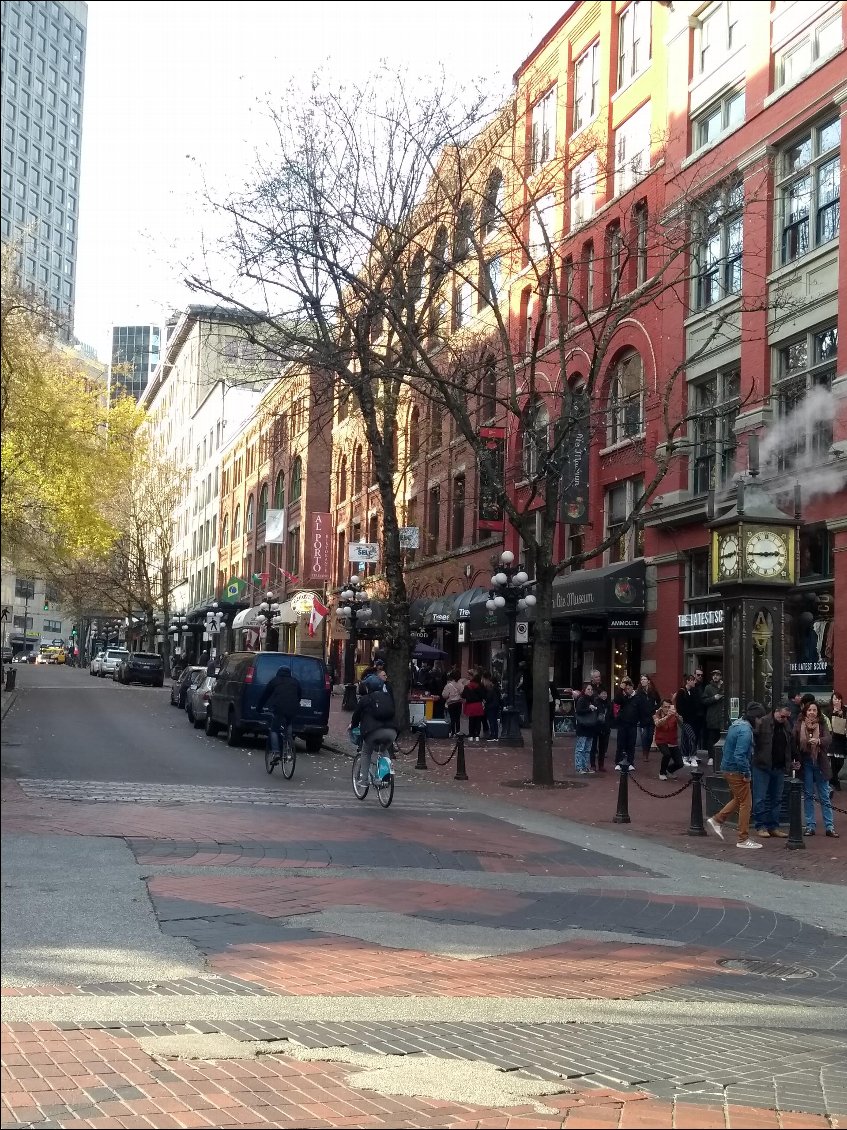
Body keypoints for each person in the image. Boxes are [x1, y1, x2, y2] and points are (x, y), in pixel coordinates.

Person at [705, 701, 766, 850]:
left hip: (728, 768)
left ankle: (717, 819)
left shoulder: (737, 724)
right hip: (736, 770)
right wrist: (746, 773)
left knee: (739, 798)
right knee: (746, 803)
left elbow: (727, 747)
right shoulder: (746, 731)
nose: (761, 721)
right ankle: (743, 838)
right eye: (760, 718)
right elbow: (740, 755)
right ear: (755, 717)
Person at [752, 704, 795, 838]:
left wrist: (792, 760)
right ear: (776, 712)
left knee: (777, 799)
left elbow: (790, 745)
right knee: (761, 798)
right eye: (782, 716)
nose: (784, 719)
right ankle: (760, 825)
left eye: (787, 717)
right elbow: (754, 741)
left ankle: (773, 826)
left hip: (779, 766)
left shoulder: (787, 725)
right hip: (762, 766)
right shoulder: (763, 722)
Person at [796, 699, 837, 837]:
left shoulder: (822, 722)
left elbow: (829, 739)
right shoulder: (799, 723)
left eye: (814, 710)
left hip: (820, 763)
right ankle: (810, 825)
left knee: (824, 795)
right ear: (805, 712)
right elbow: (793, 740)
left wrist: (819, 741)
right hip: (806, 762)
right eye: (809, 710)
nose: (812, 713)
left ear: (817, 712)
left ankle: (829, 826)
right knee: (808, 794)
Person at [350, 667, 397, 785]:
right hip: (391, 731)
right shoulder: (388, 698)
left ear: (368, 687)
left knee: (366, 752)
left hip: (373, 732)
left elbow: (356, 716)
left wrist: (353, 726)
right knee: (384, 750)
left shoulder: (365, 699)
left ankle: (364, 779)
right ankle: (384, 777)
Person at [257, 665, 302, 757]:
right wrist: (296, 703)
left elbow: (265, 696)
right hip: (293, 708)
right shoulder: (295, 681)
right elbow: (299, 694)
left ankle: (276, 751)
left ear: (278, 672)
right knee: (288, 723)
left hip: (279, 708)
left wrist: (259, 708)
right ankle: (288, 744)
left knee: (274, 729)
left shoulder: (274, 681)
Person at [613, 677, 643, 771]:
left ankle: (630, 762)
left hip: (632, 725)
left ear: (632, 687)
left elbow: (641, 710)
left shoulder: (637, 697)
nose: (627, 691)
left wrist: (640, 720)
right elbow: (616, 700)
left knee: (631, 744)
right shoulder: (623, 697)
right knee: (620, 744)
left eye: (628, 688)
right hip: (622, 724)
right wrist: (620, 689)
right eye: (625, 689)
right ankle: (618, 762)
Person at [674, 674, 700, 767]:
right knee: (692, 737)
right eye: (692, 680)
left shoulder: (692, 691)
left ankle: (684, 756)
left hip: (693, 720)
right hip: (686, 720)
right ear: (688, 681)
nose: (694, 682)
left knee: (685, 737)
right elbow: (680, 707)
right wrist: (686, 714)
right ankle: (692, 756)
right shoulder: (682, 692)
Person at [654, 698, 683, 780]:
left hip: (672, 741)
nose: (667, 709)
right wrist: (667, 717)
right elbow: (658, 724)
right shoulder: (656, 714)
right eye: (665, 707)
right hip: (661, 740)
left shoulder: (674, 714)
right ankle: (662, 772)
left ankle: (669, 770)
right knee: (667, 754)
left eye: (668, 707)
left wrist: (677, 716)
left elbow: (682, 725)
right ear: (661, 707)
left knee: (680, 763)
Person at [573, 682, 599, 774]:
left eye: (591, 689)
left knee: (588, 749)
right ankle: (579, 767)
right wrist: (589, 708)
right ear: (584, 690)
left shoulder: (593, 700)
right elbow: (579, 711)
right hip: (583, 727)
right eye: (588, 689)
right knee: (580, 748)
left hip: (590, 727)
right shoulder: (582, 699)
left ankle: (585, 766)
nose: (590, 691)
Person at [701, 670, 725, 766]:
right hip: (712, 717)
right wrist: (714, 698)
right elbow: (704, 701)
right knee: (711, 738)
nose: (715, 676)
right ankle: (711, 757)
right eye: (714, 675)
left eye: (717, 675)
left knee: (722, 738)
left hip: (722, 717)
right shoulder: (708, 687)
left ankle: (721, 758)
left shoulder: (725, 686)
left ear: (720, 677)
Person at [635, 675, 661, 762]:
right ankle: (645, 754)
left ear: (648, 681)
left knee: (650, 736)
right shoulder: (638, 692)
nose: (643, 681)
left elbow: (659, 702)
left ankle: (647, 751)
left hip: (651, 717)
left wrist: (654, 709)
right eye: (641, 679)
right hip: (642, 718)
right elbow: (636, 704)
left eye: (644, 679)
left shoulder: (653, 691)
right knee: (644, 736)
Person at [827, 691, 846, 792]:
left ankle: (832, 779)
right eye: (835, 699)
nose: (837, 701)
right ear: (832, 700)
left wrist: (841, 714)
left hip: (842, 739)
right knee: (834, 761)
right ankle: (835, 781)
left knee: (840, 762)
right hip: (833, 739)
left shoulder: (845, 710)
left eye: (838, 699)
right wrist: (834, 713)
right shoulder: (828, 710)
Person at [461, 669, 486, 742]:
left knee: (471, 721)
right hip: (478, 705)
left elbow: (463, 695)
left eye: (469, 675)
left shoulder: (467, 686)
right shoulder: (480, 686)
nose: (467, 676)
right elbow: (483, 695)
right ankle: (477, 735)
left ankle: (471, 735)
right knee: (478, 721)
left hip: (470, 705)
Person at [590, 688, 612, 772]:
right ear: (599, 695)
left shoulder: (608, 704)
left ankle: (601, 765)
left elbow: (611, 715)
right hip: (596, 727)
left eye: (605, 693)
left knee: (602, 748)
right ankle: (593, 765)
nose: (604, 695)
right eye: (602, 693)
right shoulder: (595, 702)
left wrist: (609, 724)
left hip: (605, 728)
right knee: (593, 747)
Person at [442, 668, 465, 737]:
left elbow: (444, 695)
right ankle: (458, 731)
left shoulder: (448, 685)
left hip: (451, 703)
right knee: (458, 718)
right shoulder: (461, 685)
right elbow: (462, 693)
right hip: (459, 703)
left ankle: (452, 732)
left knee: (452, 718)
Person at [482, 671, 502, 741]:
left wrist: (485, 700)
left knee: (492, 721)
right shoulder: (497, 688)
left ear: (491, 682)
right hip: (496, 706)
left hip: (491, 707)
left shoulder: (492, 689)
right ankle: (495, 735)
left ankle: (493, 735)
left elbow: (488, 698)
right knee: (495, 721)